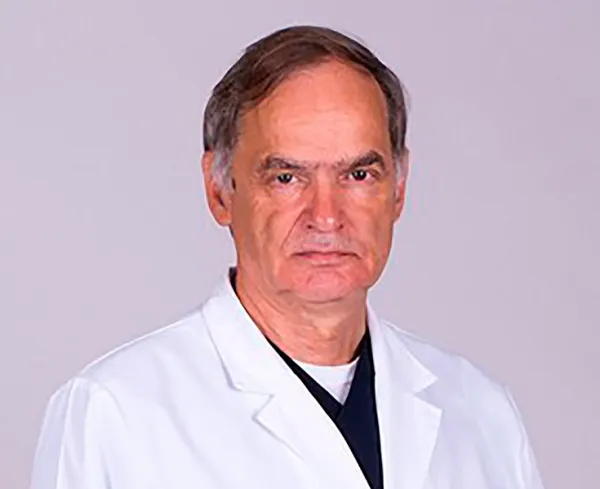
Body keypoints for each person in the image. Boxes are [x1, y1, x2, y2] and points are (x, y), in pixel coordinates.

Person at [30, 25, 545, 489]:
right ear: (219, 190)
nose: (327, 216)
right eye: (286, 177)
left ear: (399, 186)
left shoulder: (481, 414)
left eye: (358, 175)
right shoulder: (115, 414)